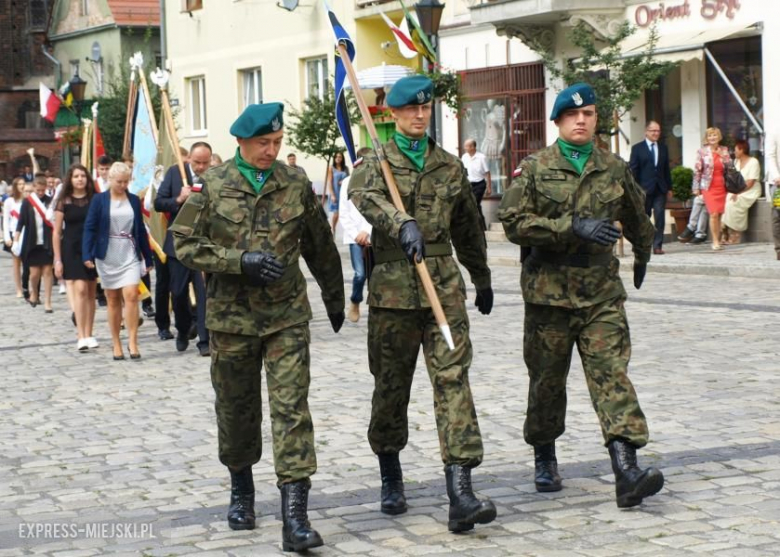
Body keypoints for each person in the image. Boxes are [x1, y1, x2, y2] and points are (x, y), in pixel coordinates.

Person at [170, 102, 345, 551]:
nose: (271, 150)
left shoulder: (295, 182)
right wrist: (238, 260)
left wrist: (334, 295)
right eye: (264, 143)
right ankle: (241, 489)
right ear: (241, 142)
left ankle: (295, 516)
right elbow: (183, 244)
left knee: (292, 409)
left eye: (277, 142)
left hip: (287, 315)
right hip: (232, 320)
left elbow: (320, 244)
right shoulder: (213, 185)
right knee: (236, 409)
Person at [498, 83, 663, 508]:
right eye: (573, 115)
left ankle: (626, 470)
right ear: (557, 121)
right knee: (547, 382)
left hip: (601, 293)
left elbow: (637, 213)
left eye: (588, 113)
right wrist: (569, 227)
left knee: (612, 376)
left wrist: (643, 253)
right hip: (548, 295)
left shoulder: (613, 167)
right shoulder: (535, 167)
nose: (581, 120)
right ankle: (544, 454)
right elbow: (513, 222)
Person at [349, 75, 497, 533]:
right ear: (392, 113)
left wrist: (481, 276)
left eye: (425, 108)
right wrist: (401, 222)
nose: (418, 115)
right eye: (410, 109)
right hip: (393, 293)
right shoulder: (376, 161)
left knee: (454, 381)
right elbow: (363, 196)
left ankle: (461, 491)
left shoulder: (449, 166)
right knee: (391, 388)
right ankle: (390, 472)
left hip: (443, 290)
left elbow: (468, 227)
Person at [82, 162, 153, 361]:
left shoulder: (133, 200)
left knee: (131, 295)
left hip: (129, 252)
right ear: (110, 179)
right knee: (112, 299)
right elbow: (90, 227)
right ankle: (116, 343)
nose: (122, 185)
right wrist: (87, 254)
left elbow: (140, 229)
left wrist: (148, 257)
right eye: (119, 181)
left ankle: (133, 341)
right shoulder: (99, 200)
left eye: (125, 181)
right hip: (107, 254)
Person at [154, 142, 212, 357]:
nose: (201, 167)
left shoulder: (214, 177)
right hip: (178, 245)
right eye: (197, 162)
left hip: (203, 244)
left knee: (203, 293)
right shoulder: (174, 173)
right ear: (189, 159)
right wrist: (178, 198)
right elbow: (158, 203)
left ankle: (204, 340)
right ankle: (183, 328)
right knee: (178, 293)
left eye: (205, 163)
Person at [53, 164, 98, 350]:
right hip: (71, 249)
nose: (80, 179)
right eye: (76, 176)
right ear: (70, 180)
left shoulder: (95, 199)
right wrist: (57, 259)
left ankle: (89, 333)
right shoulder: (63, 201)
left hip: (91, 248)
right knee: (80, 289)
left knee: (91, 292)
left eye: (83, 176)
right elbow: (56, 232)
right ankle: (80, 335)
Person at [338, 147, 372, 323]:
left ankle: (376, 308)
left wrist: (367, 230)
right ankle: (355, 300)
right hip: (354, 237)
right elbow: (343, 212)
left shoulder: (376, 180)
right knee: (360, 274)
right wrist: (356, 234)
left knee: (375, 276)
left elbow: (379, 209)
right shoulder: (347, 182)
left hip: (373, 235)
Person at [629, 121, 672, 255]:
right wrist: (634, 189)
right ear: (646, 132)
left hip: (660, 188)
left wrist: (669, 188)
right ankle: (643, 244)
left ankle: (657, 245)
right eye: (653, 131)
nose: (656, 133)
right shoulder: (637, 148)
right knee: (644, 218)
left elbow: (666, 169)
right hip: (644, 190)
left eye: (658, 131)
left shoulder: (663, 148)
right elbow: (633, 170)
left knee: (660, 217)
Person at [14, 173, 54, 312]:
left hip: (47, 242)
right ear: (34, 187)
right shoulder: (27, 202)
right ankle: (35, 292)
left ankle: (48, 302)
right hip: (32, 243)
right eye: (38, 190)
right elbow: (21, 223)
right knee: (35, 274)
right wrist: (16, 240)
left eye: (43, 190)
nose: (41, 193)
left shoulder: (50, 201)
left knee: (47, 272)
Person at [692, 127, 730, 251]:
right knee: (713, 213)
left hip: (722, 185)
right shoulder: (702, 152)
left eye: (714, 135)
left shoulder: (724, 150)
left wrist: (723, 156)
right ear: (706, 138)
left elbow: (730, 167)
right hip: (708, 186)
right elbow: (697, 170)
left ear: (719, 137)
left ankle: (718, 237)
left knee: (719, 214)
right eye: (709, 135)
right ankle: (715, 241)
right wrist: (696, 187)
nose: (712, 138)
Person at [722, 140, 762, 245]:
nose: (734, 152)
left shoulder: (753, 162)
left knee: (735, 202)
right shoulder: (736, 162)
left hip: (750, 190)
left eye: (735, 150)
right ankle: (725, 231)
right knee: (726, 199)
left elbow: (751, 182)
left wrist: (738, 192)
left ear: (742, 150)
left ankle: (736, 233)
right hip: (738, 189)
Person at [461, 138, 492, 231]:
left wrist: (489, 187)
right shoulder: (464, 157)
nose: (465, 148)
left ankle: (479, 227)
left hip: (479, 184)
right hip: (468, 184)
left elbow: (487, 173)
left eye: (467, 146)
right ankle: (481, 227)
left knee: (474, 203)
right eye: (465, 146)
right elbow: (462, 172)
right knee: (474, 205)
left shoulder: (481, 157)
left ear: (472, 147)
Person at [3, 177, 25, 297]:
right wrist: (7, 237)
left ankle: (27, 286)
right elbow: (6, 221)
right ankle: (18, 289)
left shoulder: (27, 200)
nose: (22, 186)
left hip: (26, 234)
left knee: (28, 263)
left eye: (23, 184)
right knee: (16, 263)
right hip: (14, 233)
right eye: (19, 184)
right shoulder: (9, 202)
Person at [765, 127, 780, 260]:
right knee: (777, 215)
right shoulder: (774, 131)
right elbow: (770, 156)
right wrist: (776, 176)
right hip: (777, 183)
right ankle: (779, 249)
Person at [325, 151, 348, 232]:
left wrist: (343, 181)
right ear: (334, 158)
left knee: (341, 212)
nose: (338, 158)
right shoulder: (331, 168)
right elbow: (329, 182)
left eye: (340, 157)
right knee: (336, 212)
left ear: (342, 158)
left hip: (343, 193)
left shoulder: (345, 168)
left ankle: (334, 228)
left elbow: (348, 179)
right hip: (335, 192)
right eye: (336, 157)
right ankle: (333, 228)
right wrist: (332, 195)